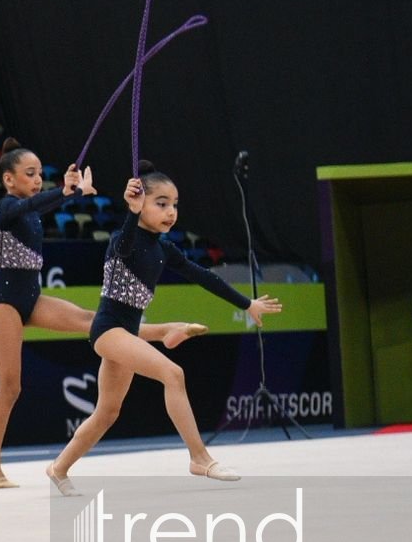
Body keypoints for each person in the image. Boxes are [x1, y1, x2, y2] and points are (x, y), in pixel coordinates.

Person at [0, 139, 207, 488]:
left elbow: (40, 205)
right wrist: (67, 192)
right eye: (29, 174)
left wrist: (71, 191)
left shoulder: (32, 212)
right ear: (9, 180)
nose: (37, 180)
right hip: (5, 302)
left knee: (93, 321)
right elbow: (31, 206)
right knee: (10, 387)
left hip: (32, 297)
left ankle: (159, 331)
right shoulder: (7, 208)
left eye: (40, 174)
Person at [45, 164, 283, 495]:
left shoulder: (163, 248)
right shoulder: (121, 239)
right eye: (161, 203)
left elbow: (205, 276)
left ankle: (58, 468)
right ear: (140, 202)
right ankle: (200, 457)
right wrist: (130, 213)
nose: (170, 212)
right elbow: (125, 246)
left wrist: (247, 304)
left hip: (128, 332)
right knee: (172, 374)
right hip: (109, 329)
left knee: (106, 413)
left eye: (174, 204)